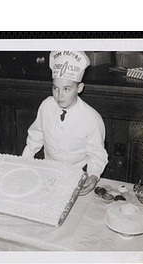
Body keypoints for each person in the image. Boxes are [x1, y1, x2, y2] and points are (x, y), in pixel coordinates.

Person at [22, 51, 108, 195]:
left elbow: (97, 153)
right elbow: (34, 138)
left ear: (79, 88)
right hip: (47, 172)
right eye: (55, 88)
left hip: (75, 178)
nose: (59, 95)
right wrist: (24, 163)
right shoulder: (46, 106)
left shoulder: (92, 118)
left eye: (66, 89)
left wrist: (93, 176)